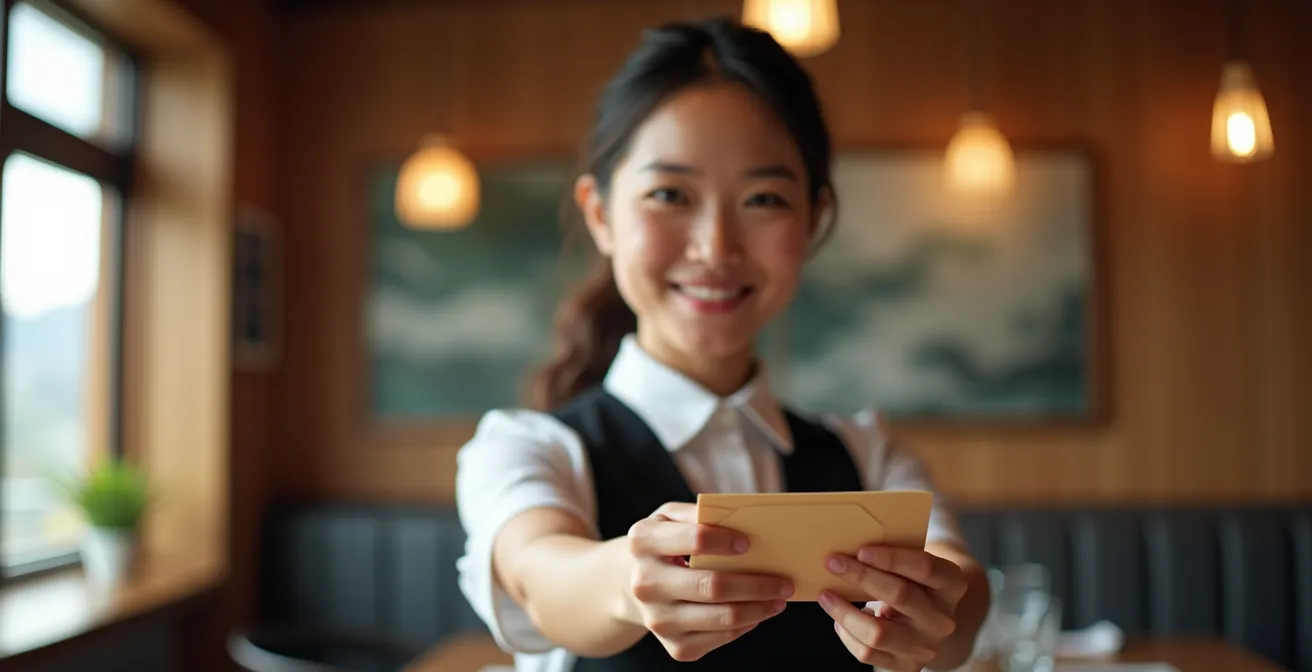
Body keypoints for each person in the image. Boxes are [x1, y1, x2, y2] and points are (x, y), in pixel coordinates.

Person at [455, 16, 990, 672]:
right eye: (669, 194)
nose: (716, 248)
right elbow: (542, 579)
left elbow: (962, 591)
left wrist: (941, 612)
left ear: (814, 218)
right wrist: (626, 580)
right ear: (600, 214)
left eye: (763, 198)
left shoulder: (868, 454)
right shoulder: (528, 449)